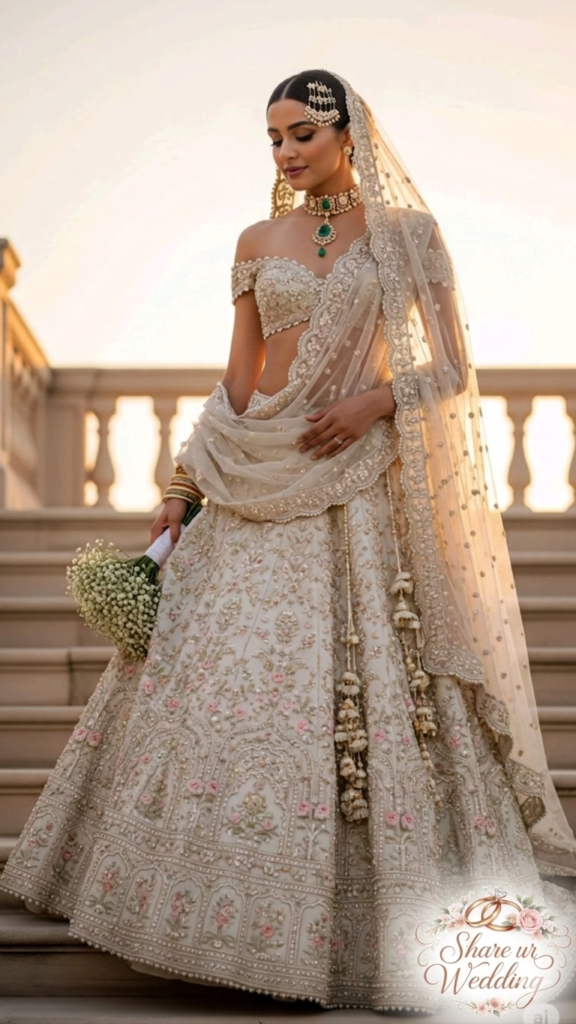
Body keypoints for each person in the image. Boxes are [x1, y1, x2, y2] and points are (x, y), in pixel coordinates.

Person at [2, 70, 575, 1014]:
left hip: (357, 485)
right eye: (272, 138)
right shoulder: (256, 242)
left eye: (301, 132)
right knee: (214, 678)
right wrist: (184, 486)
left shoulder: (407, 237)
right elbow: (239, 378)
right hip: (254, 468)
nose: (284, 153)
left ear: (348, 131)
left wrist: (374, 400)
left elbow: (450, 364)